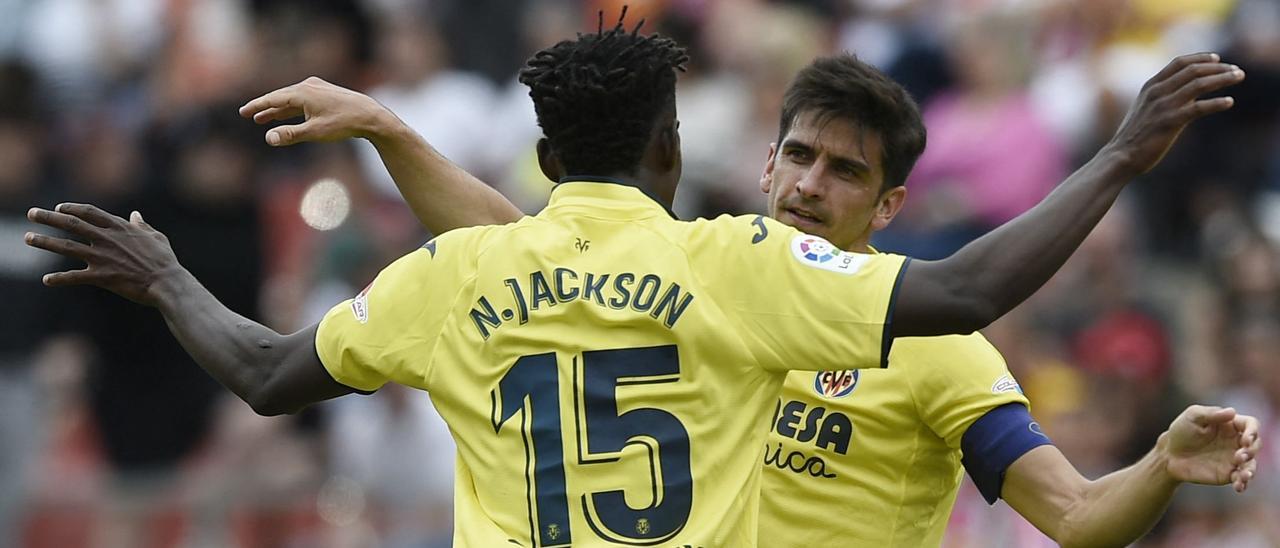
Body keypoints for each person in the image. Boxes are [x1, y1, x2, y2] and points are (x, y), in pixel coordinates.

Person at [30, 18, 1250, 546]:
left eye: (845, 171)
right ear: (710, 156)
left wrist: (171, 274)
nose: (810, 184)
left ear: (888, 205)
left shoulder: (474, 274)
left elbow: (270, 362)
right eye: (798, 156)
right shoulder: (730, 265)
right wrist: (1117, 155)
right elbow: (970, 279)